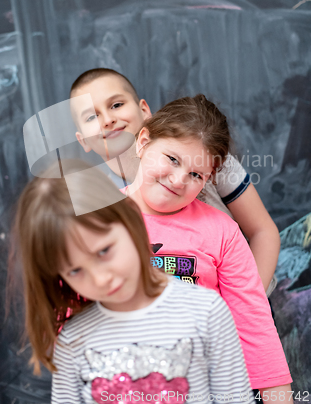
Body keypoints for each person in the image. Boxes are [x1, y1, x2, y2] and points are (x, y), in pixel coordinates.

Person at [10, 163, 255, 404]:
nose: (100, 278)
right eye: (75, 270)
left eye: (104, 251)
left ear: (130, 218)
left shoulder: (206, 311)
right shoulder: (72, 342)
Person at [123, 94, 292, 404]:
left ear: (210, 179)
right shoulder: (97, 224)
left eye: (196, 175)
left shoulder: (222, 232)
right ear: (143, 141)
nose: (177, 180)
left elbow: (257, 333)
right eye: (172, 159)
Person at [70, 68, 280, 296]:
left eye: (116, 105)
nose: (108, 119)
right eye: (92, 117)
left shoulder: (204, 153)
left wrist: (245, 301)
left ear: (144, 110)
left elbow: (263, 230)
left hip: (245, 296)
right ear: (83, 141)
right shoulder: (100, 202)